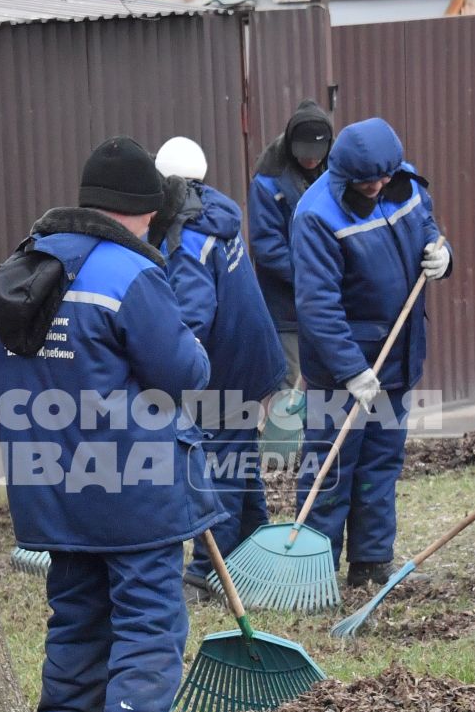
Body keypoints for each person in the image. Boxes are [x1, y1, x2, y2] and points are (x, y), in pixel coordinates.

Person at [0, 136, 221, 712]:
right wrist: (193, 348)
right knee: (149, 620)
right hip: (134, 485)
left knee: (77, 620)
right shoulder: (131, 274)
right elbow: (183, 372)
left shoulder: (24, 267)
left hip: (52, 485)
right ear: (144, 210)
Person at [289, 118, 452, 587]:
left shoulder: (404, 181)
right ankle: (312, 573)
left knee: (381, 462)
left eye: (385, 176)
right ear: (345, 176)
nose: (379, 186)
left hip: (398, 358)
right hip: (346, 371)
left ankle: (371, 562)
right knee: (332, 468)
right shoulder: (317, 216)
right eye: (369, 181)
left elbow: (430, 232)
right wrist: (352, 370)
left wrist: (444, 256)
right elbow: (317, 306)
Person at [152, 137, 285, 601]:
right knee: (239, 460)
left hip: (227, 372)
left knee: (221, 466)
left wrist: (172, 372)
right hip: (254, 361)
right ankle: (254, 542)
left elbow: (193, 315)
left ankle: (206, 571)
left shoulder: (188, 238)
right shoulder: (217, 213)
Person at [249, 100, 335, 387]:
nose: (310, 161)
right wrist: (310, 277)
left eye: (316, 155)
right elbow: (266, 246)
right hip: (288, 306)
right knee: (292, 385)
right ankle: (287, 433)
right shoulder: (268, 182)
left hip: (331, 302)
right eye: (303, 154)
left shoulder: (338, 174)